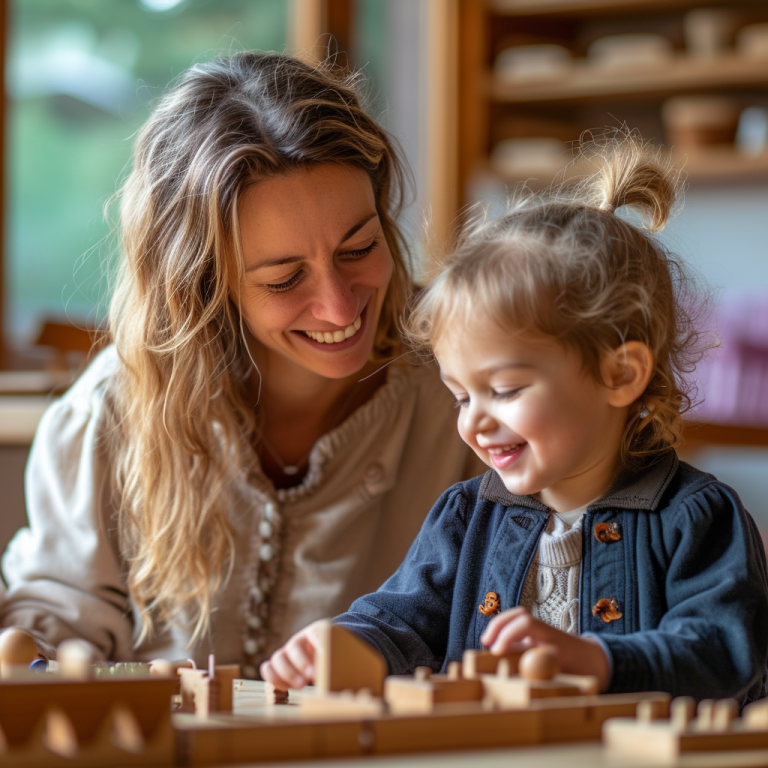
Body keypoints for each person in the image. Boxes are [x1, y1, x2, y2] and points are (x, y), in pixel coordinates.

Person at [0, 52, 483, 676]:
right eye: (283, 280)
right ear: (203, 283)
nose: (339, 305)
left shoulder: (474, 387)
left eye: (360, 248)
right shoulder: (110, 413)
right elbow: (54, 619)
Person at [261, 135, 768, 705]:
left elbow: (725, 651)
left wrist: (599, 661)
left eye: (503, 391)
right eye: (460, 397)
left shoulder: (697, 517)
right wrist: (342, 644)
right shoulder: (466, 516)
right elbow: (400, 622)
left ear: (621, 375)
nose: (475, 422)